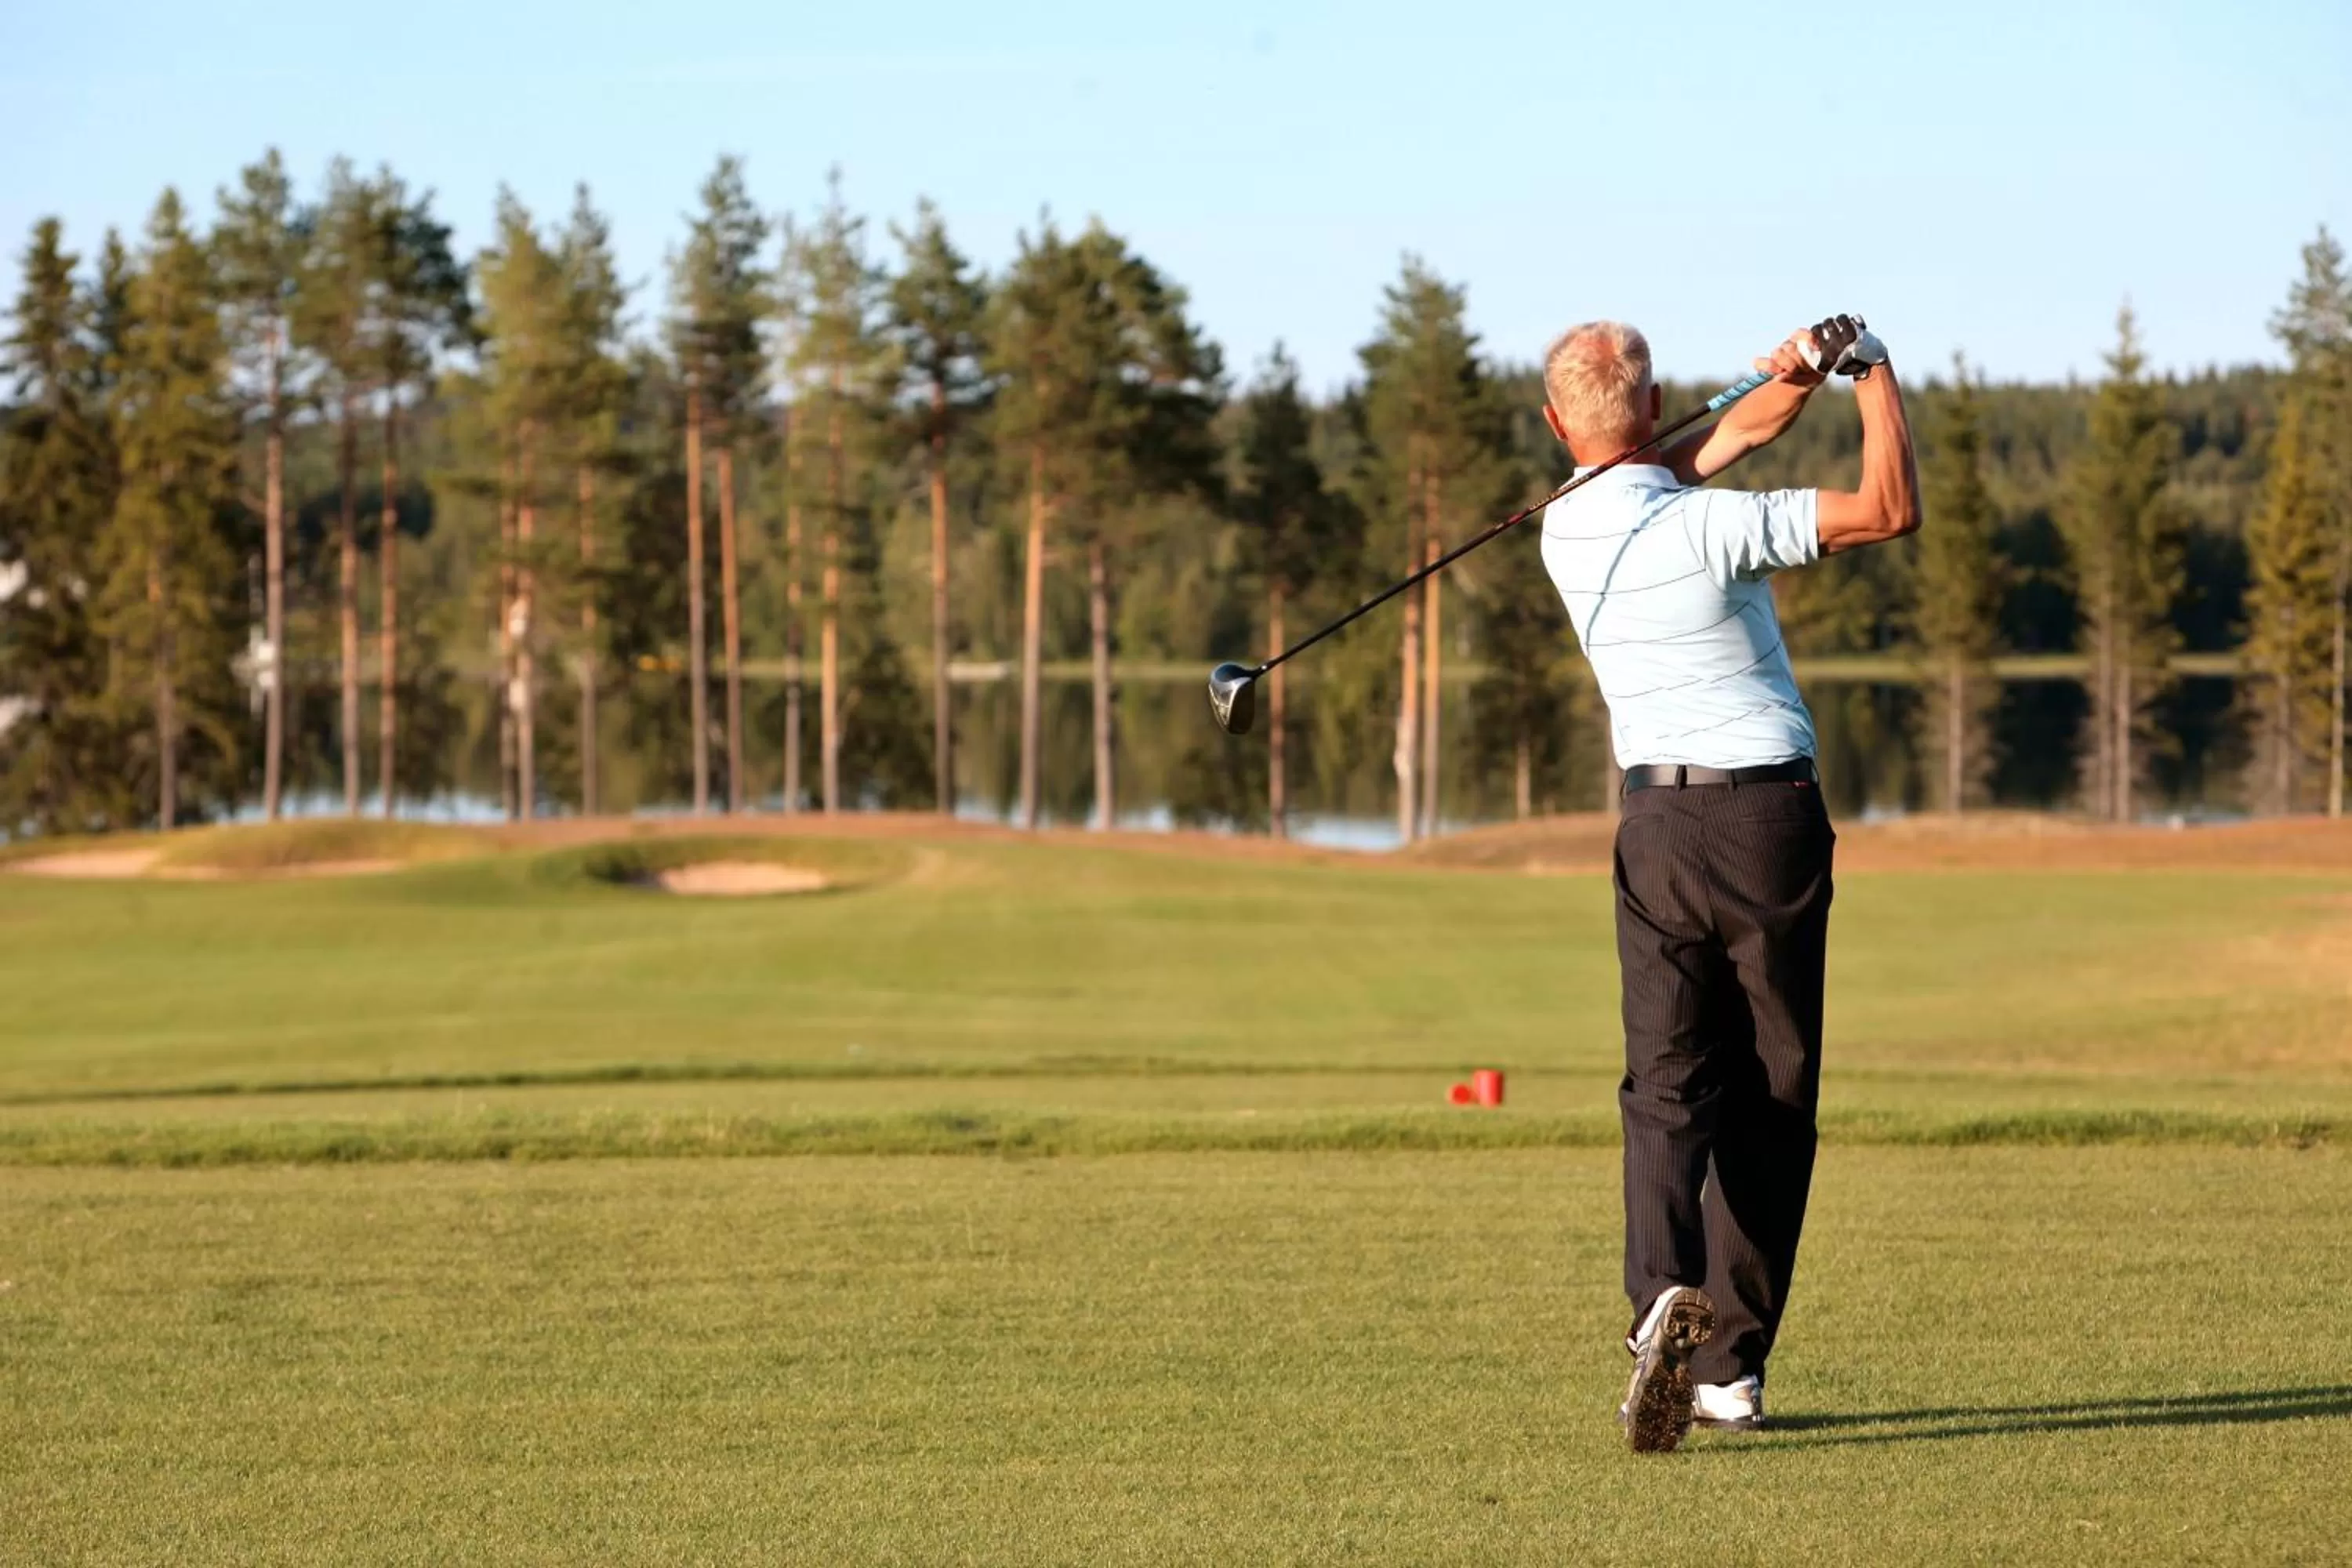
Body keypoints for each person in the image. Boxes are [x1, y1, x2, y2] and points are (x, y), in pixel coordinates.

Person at [1535, 314, 1919, 1454]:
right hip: (1764, 821)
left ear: (1561, 426)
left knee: (1665, 1083)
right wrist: (1872, 374)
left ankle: (1659, 1296)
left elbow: (1716, 441)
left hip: (1652, 821)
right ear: (1650, 411)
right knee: (1772, 1090)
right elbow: (1888, 509)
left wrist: (1795, 376)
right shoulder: (1714, 532)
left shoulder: (1563, 526)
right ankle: (1728, 1369)